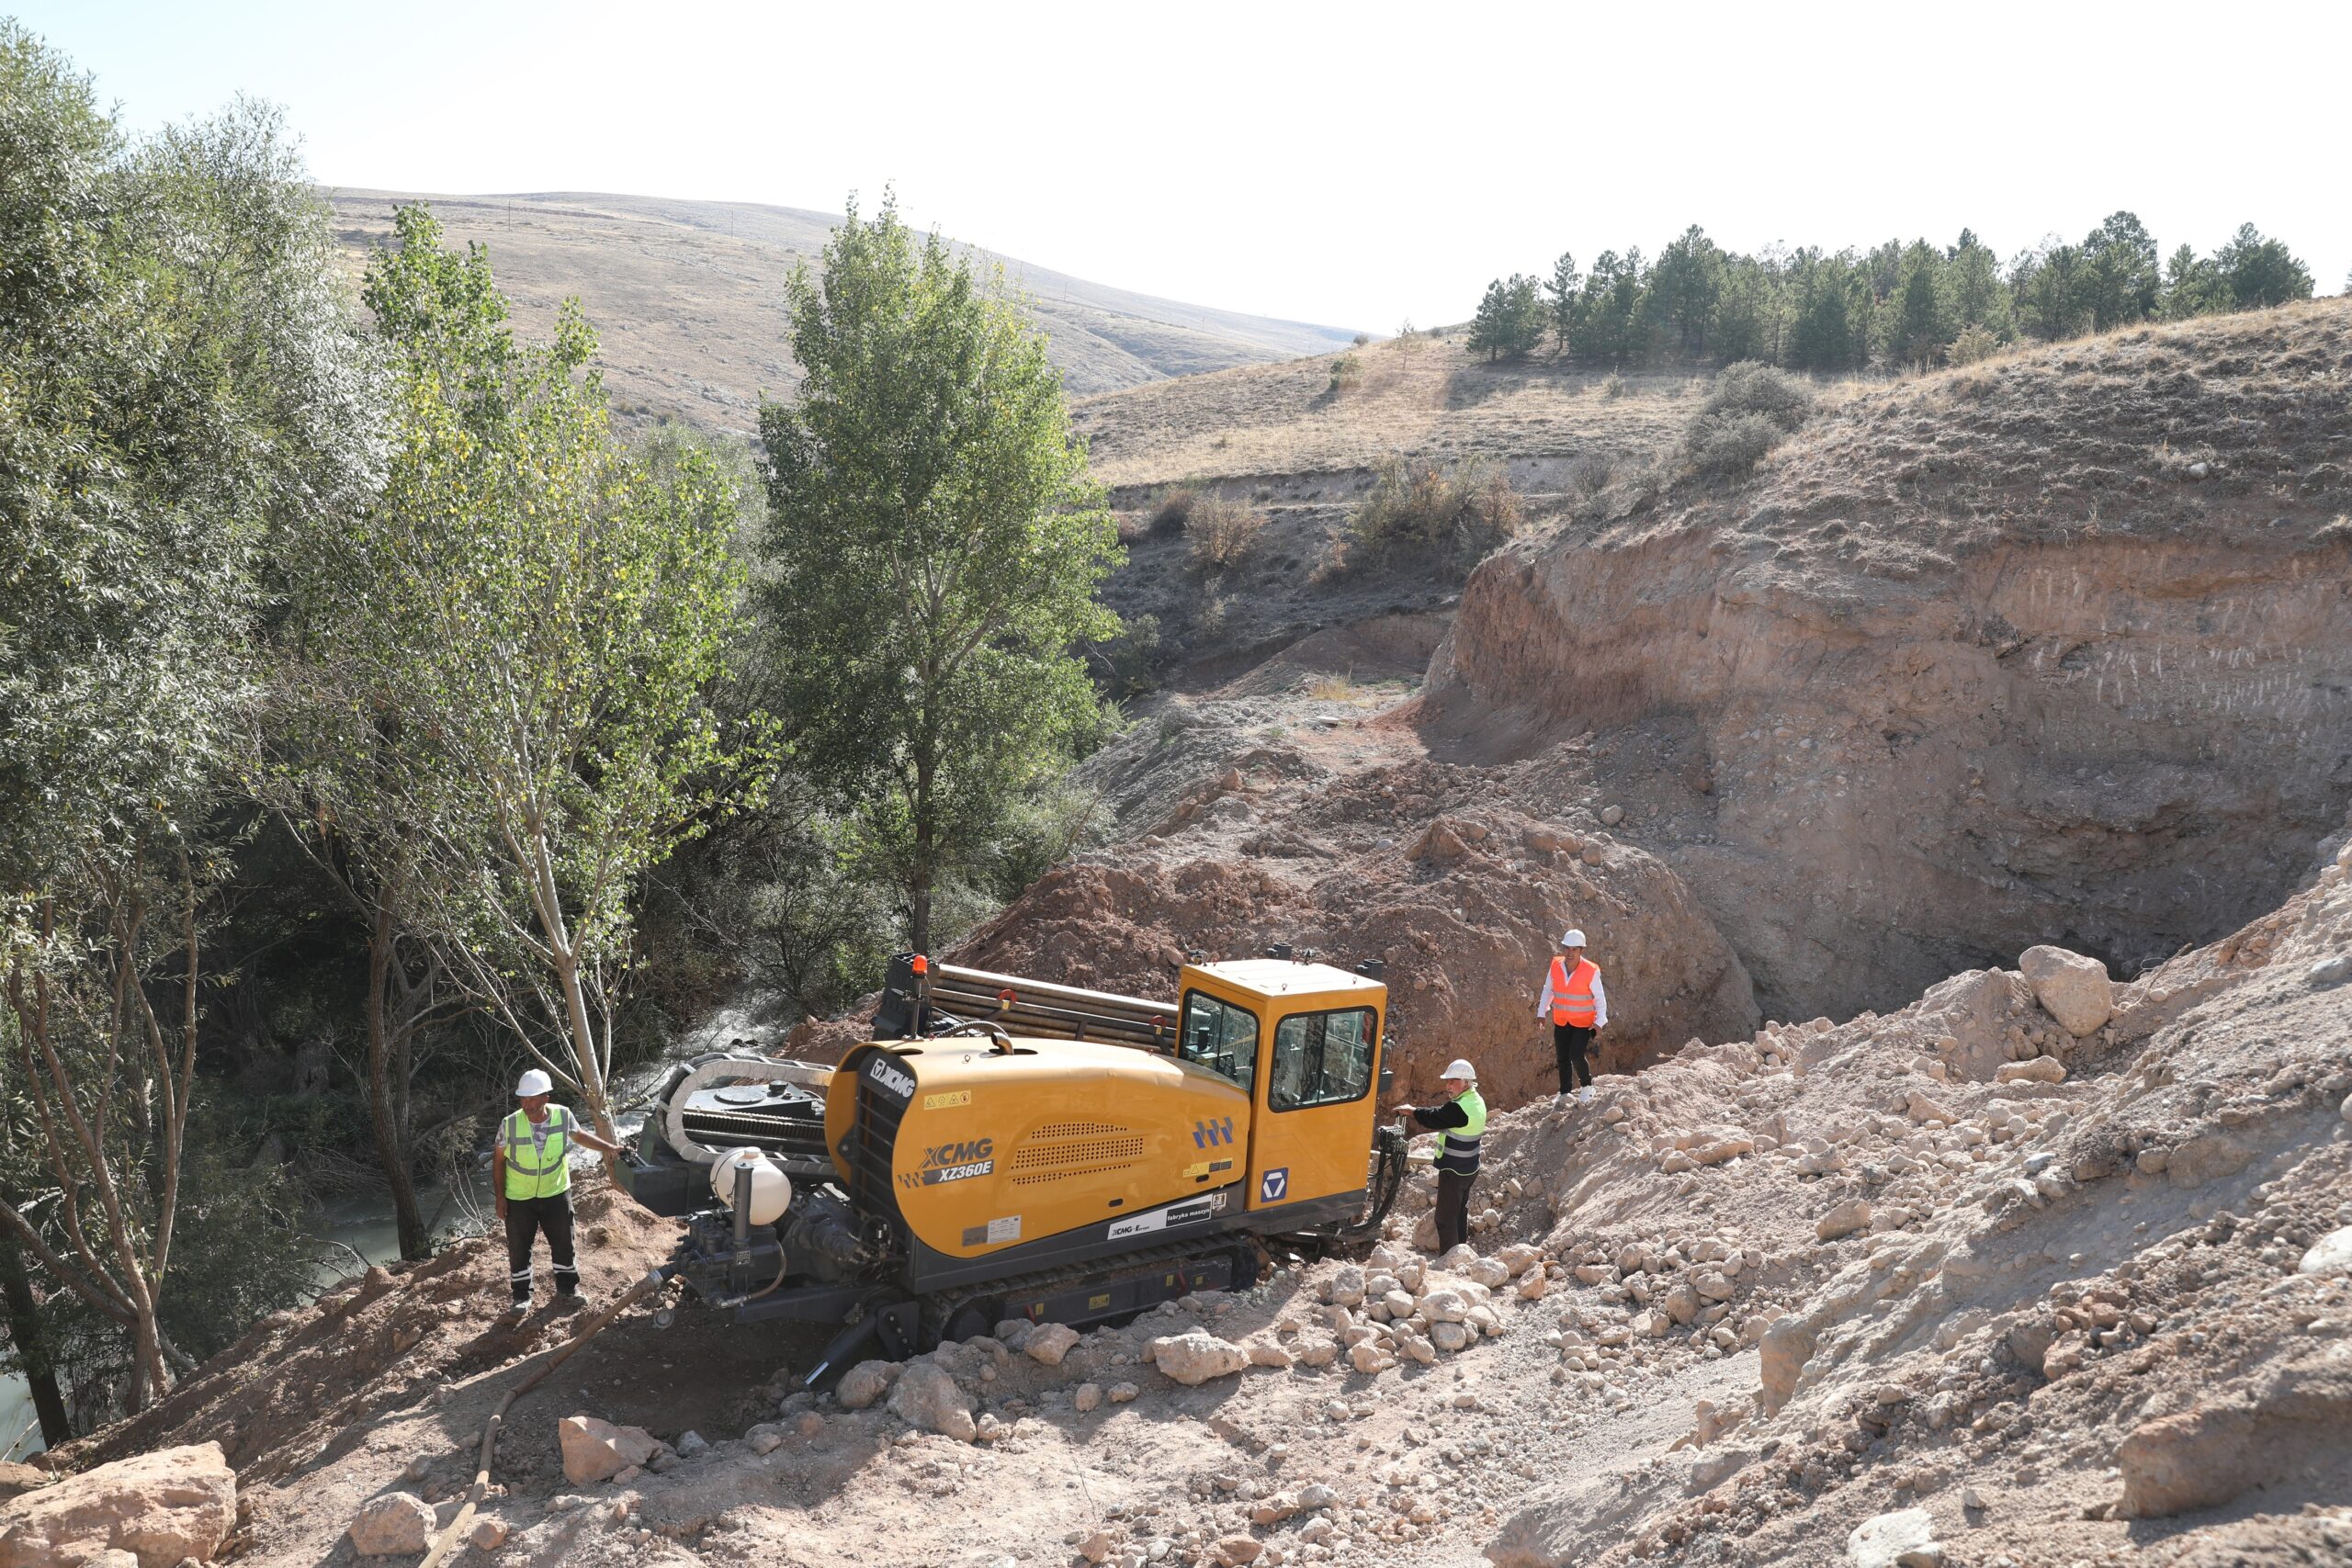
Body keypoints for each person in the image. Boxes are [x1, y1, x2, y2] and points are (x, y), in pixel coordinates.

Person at [494, 1068, 625, 1322]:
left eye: (532, 1098)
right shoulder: (509, 1124)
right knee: (519, 1248)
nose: (527, 1104)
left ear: (546, 1098)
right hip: (519, 1196)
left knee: (564, 1242)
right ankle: (521, 1296)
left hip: (556, 1192)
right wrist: (500, 1197)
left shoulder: (563, 1116)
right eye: (523, 1099)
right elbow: (498, 1162)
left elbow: (580, 1136)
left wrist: (609, 1147)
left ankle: (568, 1288)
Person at [1393, 1059, 1486, 1254]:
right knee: (1459, 1213)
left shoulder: (1460, 1108)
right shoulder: (1475, 1100)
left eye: (1452, 1081)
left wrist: (1413, 1111)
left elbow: (1435, 1117)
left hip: (1454, 1169)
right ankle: (1460, 1255)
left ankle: (1450, 1260)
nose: (1448, 1086)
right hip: (1469, 1167)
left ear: (1466, 1082)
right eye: (1448, 1081)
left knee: (1444, 1219)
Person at [1538, 929, 1607, 1104]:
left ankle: (1587, 1087)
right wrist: (1542, 1012)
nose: (1570, 953)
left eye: (1574, 949)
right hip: (1562, 1020)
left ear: (1581, 951)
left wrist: (1599, 1022)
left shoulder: (1590, 971)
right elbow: (1548, 990)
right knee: (1562, 1057)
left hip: (1583, 1023)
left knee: (1576, 1055)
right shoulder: (1555, 966)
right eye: (1567, 948)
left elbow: (1600, 999)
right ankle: (1565, 1092)